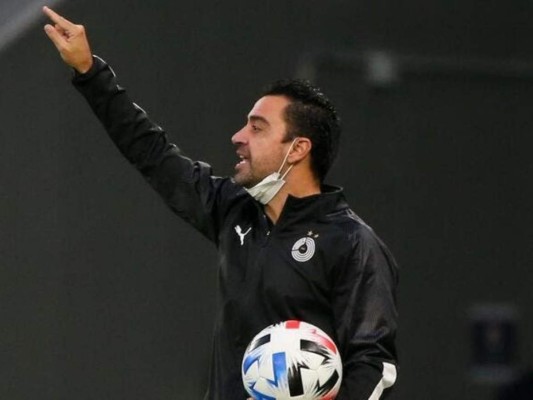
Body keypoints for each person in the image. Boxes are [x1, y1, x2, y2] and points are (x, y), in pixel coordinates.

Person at [43, 6, 399, 399]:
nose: (238, 136)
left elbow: (373, 366)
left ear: (297, 149)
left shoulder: (351, 243)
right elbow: (154, 155)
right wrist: (90, 72)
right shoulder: (234, 209)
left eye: (257, 128)